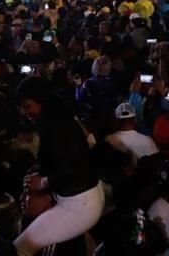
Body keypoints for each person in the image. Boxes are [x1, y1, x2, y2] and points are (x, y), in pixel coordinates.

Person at [14, 77, 104, 256]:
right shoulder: (58, 118)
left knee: (21, 248)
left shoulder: (59, 126)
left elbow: (73, 166)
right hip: (83, 195)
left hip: (80, 204)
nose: (24, 112)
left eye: (27, 105)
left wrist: (44, 182)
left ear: (42, 101)